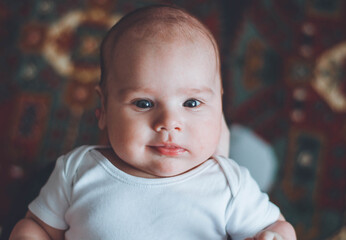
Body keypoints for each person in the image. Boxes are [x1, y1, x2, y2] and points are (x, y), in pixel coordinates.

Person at [10, 5, 296, 240]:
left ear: (219, 102)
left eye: (192, 103)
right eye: (144, 103)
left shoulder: (229, 184)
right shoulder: (77, 172)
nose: (169, 123)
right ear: (104, 109)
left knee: (251, 160)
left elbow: (280, 228)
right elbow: (33, 227)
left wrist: (271, 236)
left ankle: (234, 137)